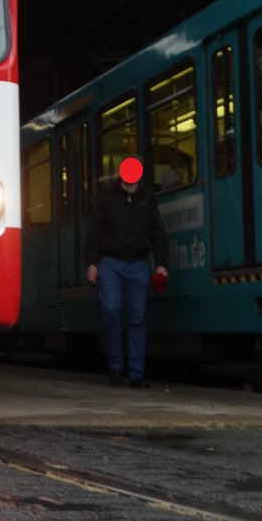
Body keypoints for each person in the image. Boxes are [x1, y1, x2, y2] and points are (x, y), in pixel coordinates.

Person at [84, 156, 169, 389]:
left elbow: (157, 233)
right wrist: (92, 263)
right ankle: (115, 366)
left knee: (138, 318)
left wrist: (161, 264)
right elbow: (94, 232)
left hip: (138, 264)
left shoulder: (147, 199)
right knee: (111, 310)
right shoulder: (106, 197)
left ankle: (136, 374)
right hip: (109, 262)